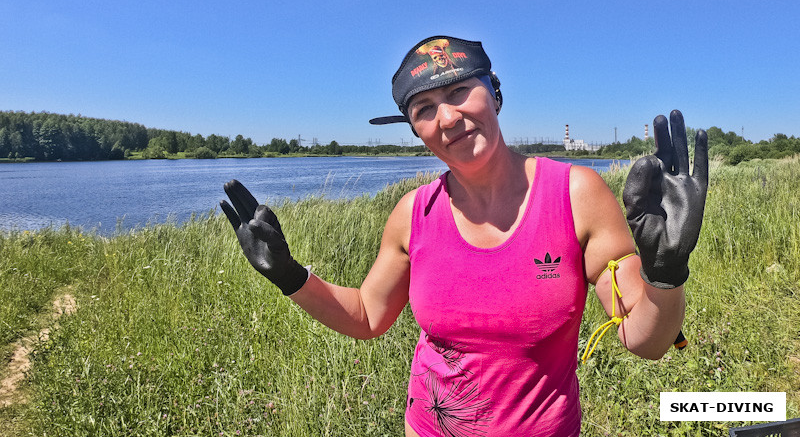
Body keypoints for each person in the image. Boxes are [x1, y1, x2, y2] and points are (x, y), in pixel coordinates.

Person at [220, 36, 708, 437]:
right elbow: (369, 315)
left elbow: (644, 340)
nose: (448, 117)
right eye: (424, 108)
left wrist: (665, 275)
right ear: (416, 131)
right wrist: (289, 276)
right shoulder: (413, 213)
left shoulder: (576, 195)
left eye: (458, 92)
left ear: (494, 93)